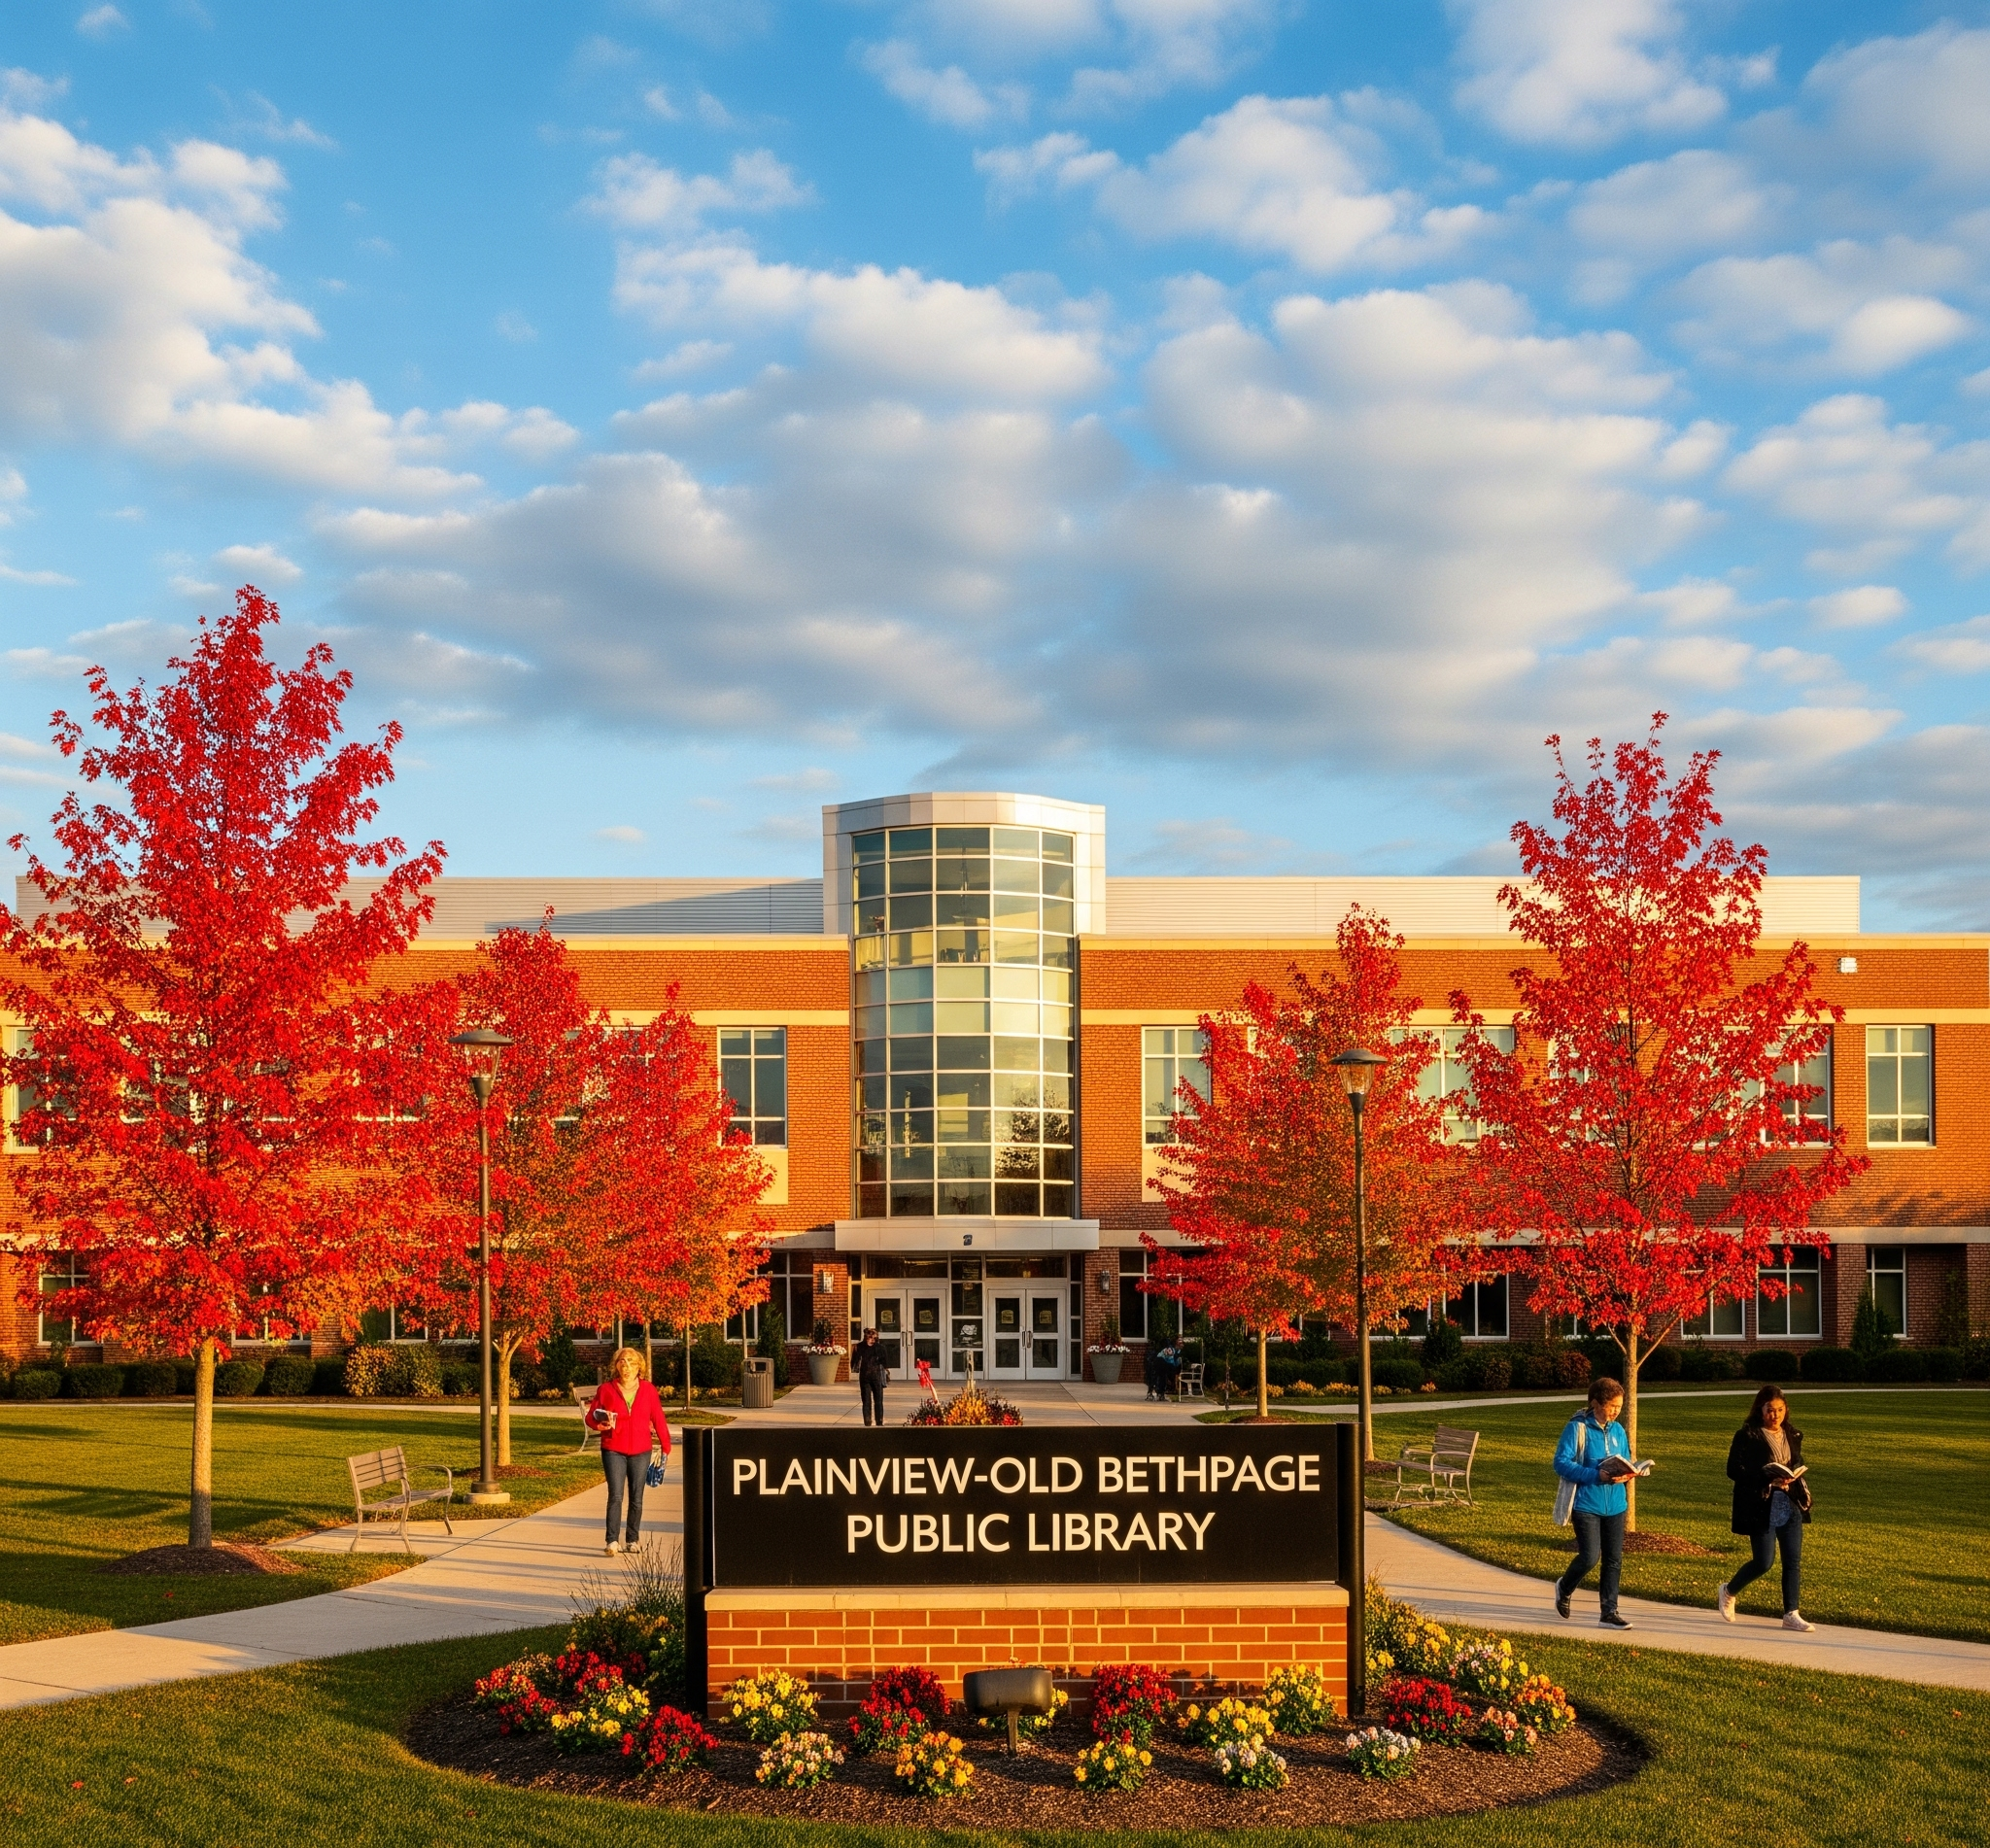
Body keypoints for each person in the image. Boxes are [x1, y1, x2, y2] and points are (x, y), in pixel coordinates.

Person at [1718, 1384, 1815, 1631]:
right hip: (1761, 1504)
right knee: (1764, 1562)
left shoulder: (1793, 1434)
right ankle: (1729, 1591)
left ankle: (1791, 1613)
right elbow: (1733, 1470)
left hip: (1790, 1503)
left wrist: (1793, 1474)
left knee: (1793, 1561)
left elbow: (1797, 1460)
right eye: (1770, 1410)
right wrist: (1764, 1477)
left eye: (1780, 1410)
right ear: (1760, 1410)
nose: (1775, 1415)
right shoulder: (1747, 1435)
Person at [1553, 1376, 1642, 1629]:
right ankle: (1564, 1587)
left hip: (1615, 1504)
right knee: (1590, 1556)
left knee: (1614, 1559)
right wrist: (1595, 1475)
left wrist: (1628, 1473)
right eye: (1612, 1406)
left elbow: (1624, 1459)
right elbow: (1561, 1462)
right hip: (1586, 1504)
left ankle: (1609, 1613)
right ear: (1595, 1403)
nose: (1616, 1411)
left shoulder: (1619, 1430)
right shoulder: (1577, 1428)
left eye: (1620, 1407)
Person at [585, 1346, 671, 1557]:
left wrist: (666, 1446)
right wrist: (599, 1425)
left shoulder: (649, 1390)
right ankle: (612, 1540)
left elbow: (658, 1418)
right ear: (616, 1365)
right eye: (623, 1361)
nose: (627, 1365)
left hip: (641, 1450)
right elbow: (591, 1417)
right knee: (615, 1496)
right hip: (613, 1448)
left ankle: (632, 1539)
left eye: (632, 1362)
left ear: (639, 1366)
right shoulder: (606, 1389)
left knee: (637, 1498)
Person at [856, 1327, 890, 1426]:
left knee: (872, 1400)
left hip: (870, 1375)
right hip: (872, 1376)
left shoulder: (861, 1347)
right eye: (870, 1338)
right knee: (873, 1400)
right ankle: (873, 1421)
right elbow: (885, 1363)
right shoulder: (879, 1348)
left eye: (872, 1338)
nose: (871, 1340)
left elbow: (855, 1362)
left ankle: (873, 1420)